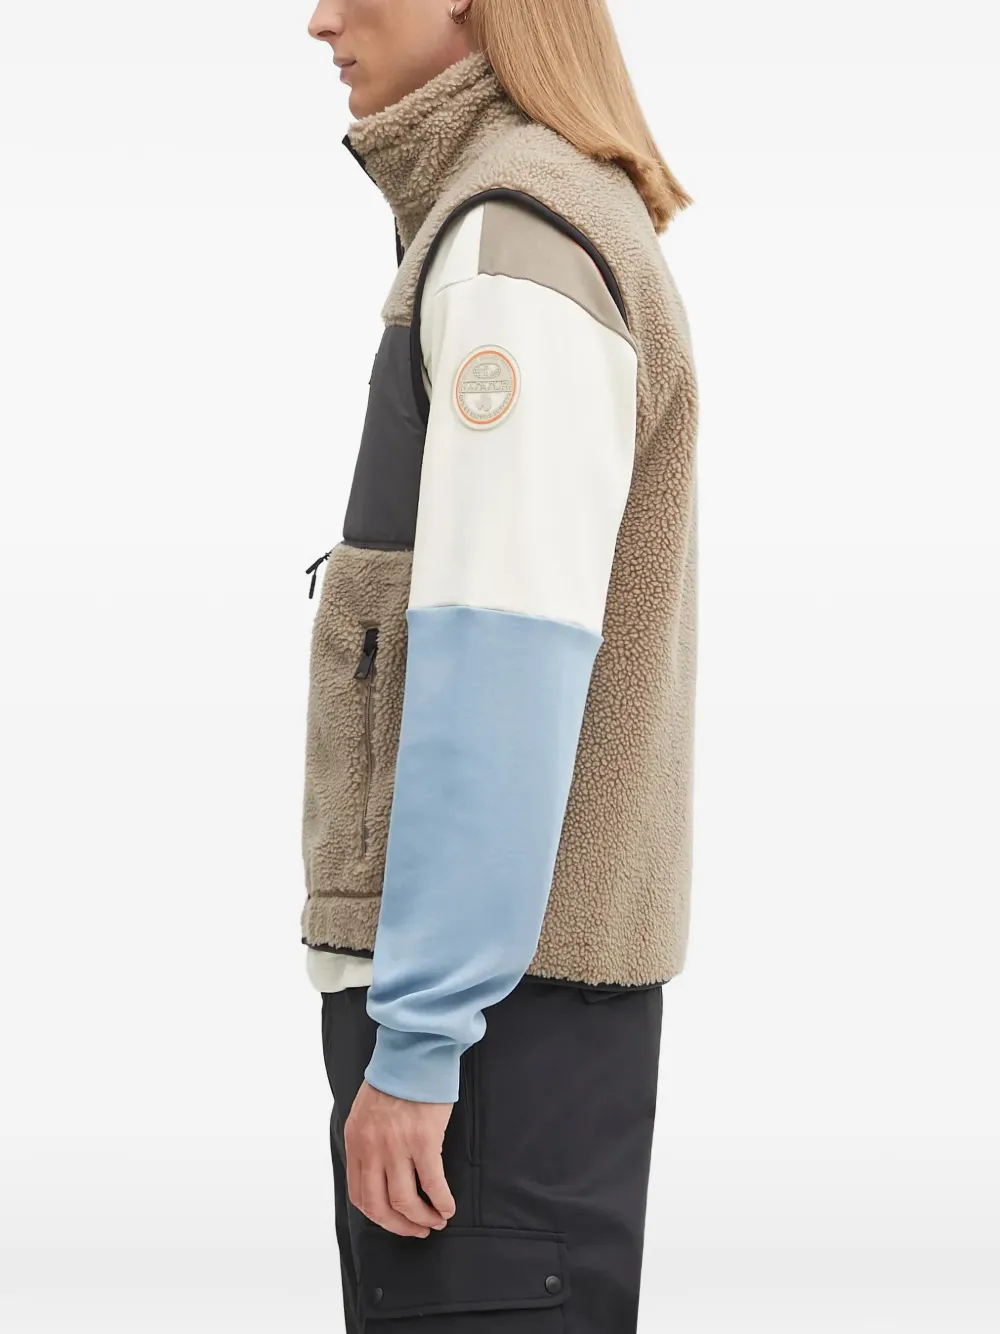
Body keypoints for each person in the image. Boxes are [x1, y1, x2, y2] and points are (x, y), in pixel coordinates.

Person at [300, 1, 698, 1328]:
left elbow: (502, 660)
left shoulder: (514, 236)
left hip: (488, 1027)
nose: (319, 18)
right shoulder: (532, 214)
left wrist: (420, 1040)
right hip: (517, 1008)